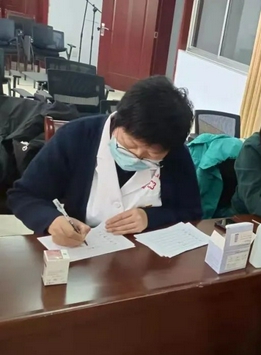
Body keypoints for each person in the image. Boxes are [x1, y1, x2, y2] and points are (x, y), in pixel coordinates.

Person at [8, 76, 202, 247]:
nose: (138, 156)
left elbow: (192, 211)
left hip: (145, 256)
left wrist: (150, 218)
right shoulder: (76, 137)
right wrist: (52, 220)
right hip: (83, 247)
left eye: (152, 153)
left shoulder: (176, 153)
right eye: (131, 145)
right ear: (118, 121)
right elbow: (24, 195)